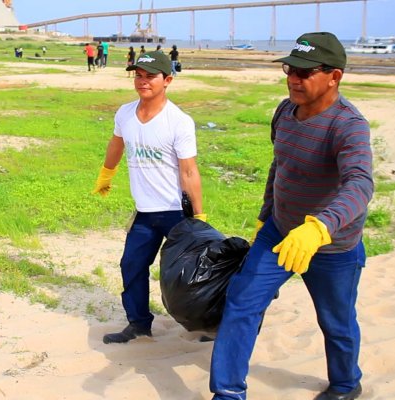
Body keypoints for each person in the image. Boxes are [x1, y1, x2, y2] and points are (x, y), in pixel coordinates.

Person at [209, 32, 373, 400]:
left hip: (331, 247)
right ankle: (228, 393)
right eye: (289, 69)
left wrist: (319, 228)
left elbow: (360, 184)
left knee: (337, 322)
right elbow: (279, 165)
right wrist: (265, 217)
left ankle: (347, 384)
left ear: (335, 76)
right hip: (279, 233)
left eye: (304, 72)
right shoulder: (284, 110)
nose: (293, 79)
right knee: (242, 303)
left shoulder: (348, 126)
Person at [92, 51, 206, 344]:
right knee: (131, 266)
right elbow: (116, 144)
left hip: (175, 212)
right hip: (145, 212)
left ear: (167, 80)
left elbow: (189, 171)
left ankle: (207, 324)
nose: (143, 81)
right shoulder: (125, 113)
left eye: (150, 76)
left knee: (190, 273)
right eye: (138, 75)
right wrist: (107, 174)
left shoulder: (179, 122)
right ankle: (139, 324)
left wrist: (199, 217)